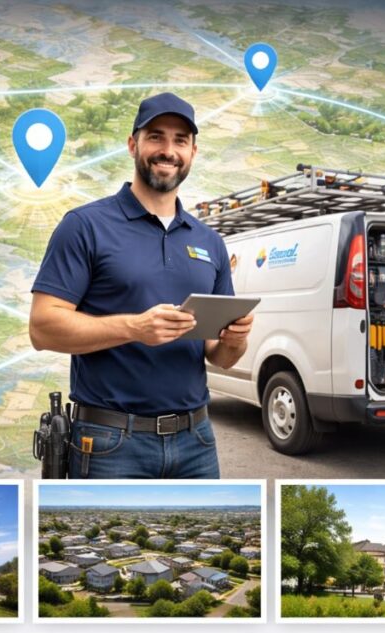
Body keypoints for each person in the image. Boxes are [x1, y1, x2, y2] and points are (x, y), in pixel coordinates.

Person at [29, 92, 253, 479]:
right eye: (156, 137)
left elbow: (219, 356)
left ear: (193, 152)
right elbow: (42, 328)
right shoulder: (85, 226)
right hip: (109, 443)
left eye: (180, 140)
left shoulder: (210, 242)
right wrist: (135, 328)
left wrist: (235, 341)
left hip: (197, 442)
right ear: (133, 145)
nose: (168, 150)